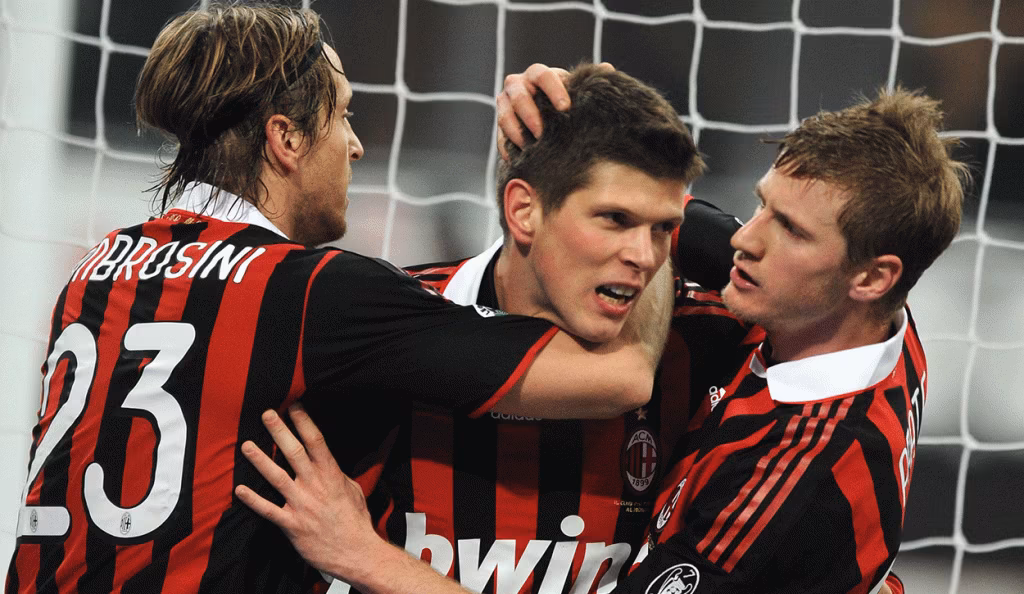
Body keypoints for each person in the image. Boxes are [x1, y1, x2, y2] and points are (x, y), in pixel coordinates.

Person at [4, 7, 679, 592]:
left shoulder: (94, 273)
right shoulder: (315, 291)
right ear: (286, 139)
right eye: (343, 115)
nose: (354, 146)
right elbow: (620, 377)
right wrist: (639, 186)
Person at [236, 66, 966, 594]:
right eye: (761, 207)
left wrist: (363, 554)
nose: (745, 240)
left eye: (791, 230)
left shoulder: (794, 476)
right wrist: (589, 123)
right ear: (522, 209)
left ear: (872, 277)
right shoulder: (834, 316)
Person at [337, 63, 714, 594]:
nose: (645, 256)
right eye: (615, 219)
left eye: (664, 229)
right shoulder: (380, 328)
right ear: (523, 210)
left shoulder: (704, 341)